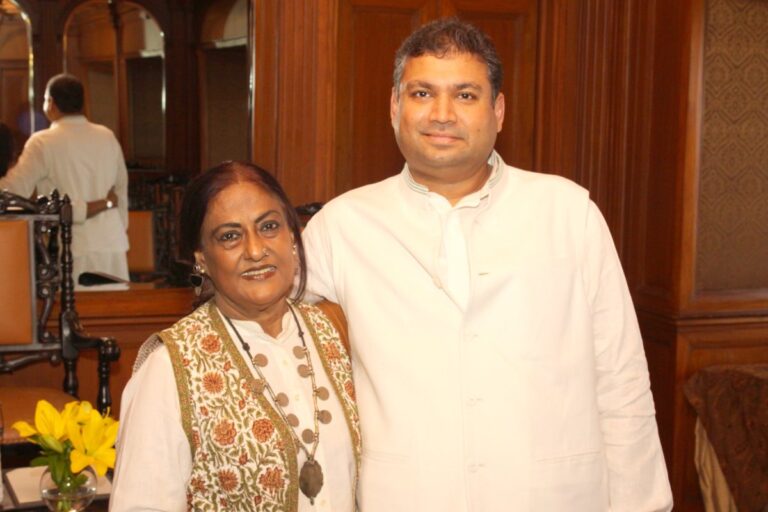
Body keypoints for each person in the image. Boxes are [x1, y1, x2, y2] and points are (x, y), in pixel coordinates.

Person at [302, 17, 673, 511]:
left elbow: (621, 379)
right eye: (421, 93)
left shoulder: (569, 213)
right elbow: (292, 371)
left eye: (466, 95)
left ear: (498, 110)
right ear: (394, 107)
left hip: (553, 496)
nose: (441, 113)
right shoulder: (341, 226)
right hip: (407, 495)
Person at [110, 161, 360, 511]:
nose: (255, 250)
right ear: (202, 259)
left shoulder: (330, 333)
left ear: (292, 235)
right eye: (230, 236)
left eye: (269, 227)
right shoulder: (170, 368)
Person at [0, 74, 129, 283]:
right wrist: (117, 226)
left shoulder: (43, 142)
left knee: (77, 311)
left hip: (72, 245)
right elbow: (121, 191)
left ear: (51, 102)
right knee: (113, 310)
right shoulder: (107, 135)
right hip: (111, 242)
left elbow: (15, 189)